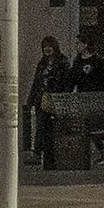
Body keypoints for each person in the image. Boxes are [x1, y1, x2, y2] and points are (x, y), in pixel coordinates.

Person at [25, 36, 71, 165]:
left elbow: (65, 82)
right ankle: (38, 153)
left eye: (50, 46)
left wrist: (62, 97)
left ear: (55, 47)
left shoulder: (62, 62)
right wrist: (31, 100)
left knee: (53, 127)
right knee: (40, 126)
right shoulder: (42, 63)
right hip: (42, 99)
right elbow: (36, 82)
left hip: (56, 99)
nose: (47, 49)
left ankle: (53, 153)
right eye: (45, 47)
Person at [68, 37, 104, 162]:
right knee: (85, 125)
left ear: (86, 44)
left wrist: (102, 96)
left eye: (79, 43)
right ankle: (91, 152)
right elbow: (74, 78)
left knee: (91, 125)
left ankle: (102, 151)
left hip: (95, 97)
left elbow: (103, 79)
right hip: (83, 96)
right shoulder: (78, 61)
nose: (77, 46)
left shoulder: (96, 61)